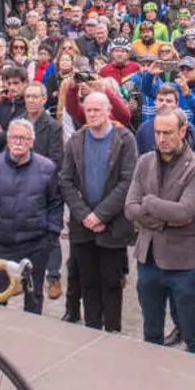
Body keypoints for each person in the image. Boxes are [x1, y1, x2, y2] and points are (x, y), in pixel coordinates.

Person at [124, 108, 195, 355]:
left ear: (183, 131)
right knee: (151, 331)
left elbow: (184, 212)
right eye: (157, 133)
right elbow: (130, 208)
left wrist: (149, 204)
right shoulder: (145, 161)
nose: (161, 139)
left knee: (192, 333)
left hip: (183, 264)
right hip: (148, 258)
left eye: (168, 133)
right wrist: (163, 218)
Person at [59, 92, 138, 332]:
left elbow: (127, 181)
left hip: (113, 224)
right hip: (82, 225)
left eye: (97, 110)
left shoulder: (124, 139)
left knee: (112, 282)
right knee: (88, 281)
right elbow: (66, 181)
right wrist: (85, 215)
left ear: (108, 111)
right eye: (88, 110)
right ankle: (91, 327)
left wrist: (101, 215)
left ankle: (112, 330)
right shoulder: (76, 140)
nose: (92, 114)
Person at [0, 118, 61, 315]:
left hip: (36, 244)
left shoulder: (47, 168)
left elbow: (55, 203)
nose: (18, 142)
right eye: (14, 137)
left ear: (32, 141)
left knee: (34, 295)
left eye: (23, 138)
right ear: (7, 139)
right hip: (1, 243)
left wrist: (51, 235)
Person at [24, 82, 66, 301]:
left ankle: (53, 276)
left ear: (43, 99)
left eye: (35, 96)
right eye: (28, 96)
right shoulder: (19, 122)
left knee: (50, 234)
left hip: (45, 185)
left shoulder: (52, 126)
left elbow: (55, 159)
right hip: (20, 186)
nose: (30, 100)